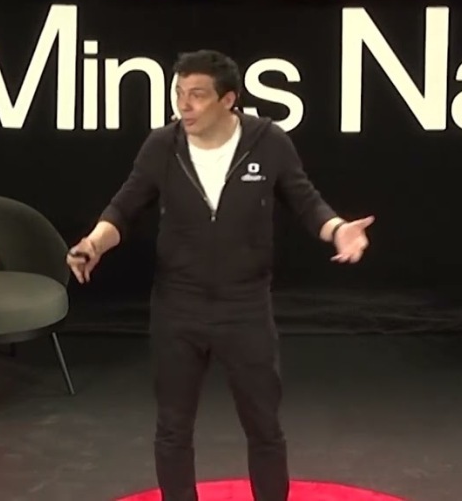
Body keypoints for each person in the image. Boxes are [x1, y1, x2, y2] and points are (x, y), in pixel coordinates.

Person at [66, 49, 374, 501]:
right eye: (179, 93)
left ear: (228, 100)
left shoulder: (267, 141)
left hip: (245, 308)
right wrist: (93, 243)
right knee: (172, 428)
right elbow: (124, 208)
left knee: (264, 427)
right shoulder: (162, 146)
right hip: (178, 307)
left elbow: (305, 201)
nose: (183, 105)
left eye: (197, 95)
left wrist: (338, 229)